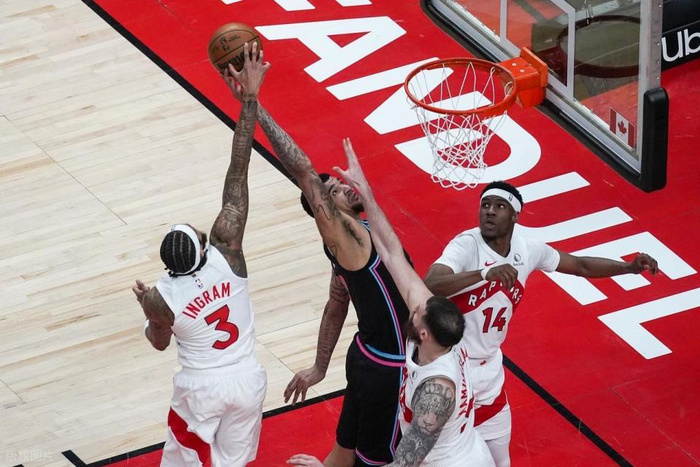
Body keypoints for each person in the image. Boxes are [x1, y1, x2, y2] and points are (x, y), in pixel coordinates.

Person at [233, 61, 410, 467]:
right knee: (378, 460)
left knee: (345, 449)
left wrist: (318, 366)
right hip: (390, 364)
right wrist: (253, 102)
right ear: (326, 211)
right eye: (334, 191)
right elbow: (303, 171)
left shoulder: (349, 245)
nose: (343, 186)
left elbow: (335, 304)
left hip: (364, 353)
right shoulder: (348, 238)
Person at [288, 138, 494, 467]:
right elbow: (390, 255)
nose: (412, 307)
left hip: (399, 390)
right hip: (372, 359)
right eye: (336, 190)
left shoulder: (435, 387)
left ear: (423, 332)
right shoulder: (349, 245)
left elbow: (402, 464)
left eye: (416, 312)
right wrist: (366, 191)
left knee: (372, 458)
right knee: (348, 448)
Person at [423, 180, 659, 466]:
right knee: (436, 457)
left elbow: (580, 265)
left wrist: (628, 268)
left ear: (515, 216)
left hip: (490, 372)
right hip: (452, 367)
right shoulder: (466, 245)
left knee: (501, 462)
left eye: (499, 206)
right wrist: (483, 274)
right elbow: (431, 283)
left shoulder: (528, 250)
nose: (490, 211)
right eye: (485, 205)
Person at [131, 43, 270, 467]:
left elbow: (159, 343)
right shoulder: (228, 253)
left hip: (201, 388)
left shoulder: (160, 296)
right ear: (203, 247)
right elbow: (238, 169)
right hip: (247, 379)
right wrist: (249, 99)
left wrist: (149, 312)